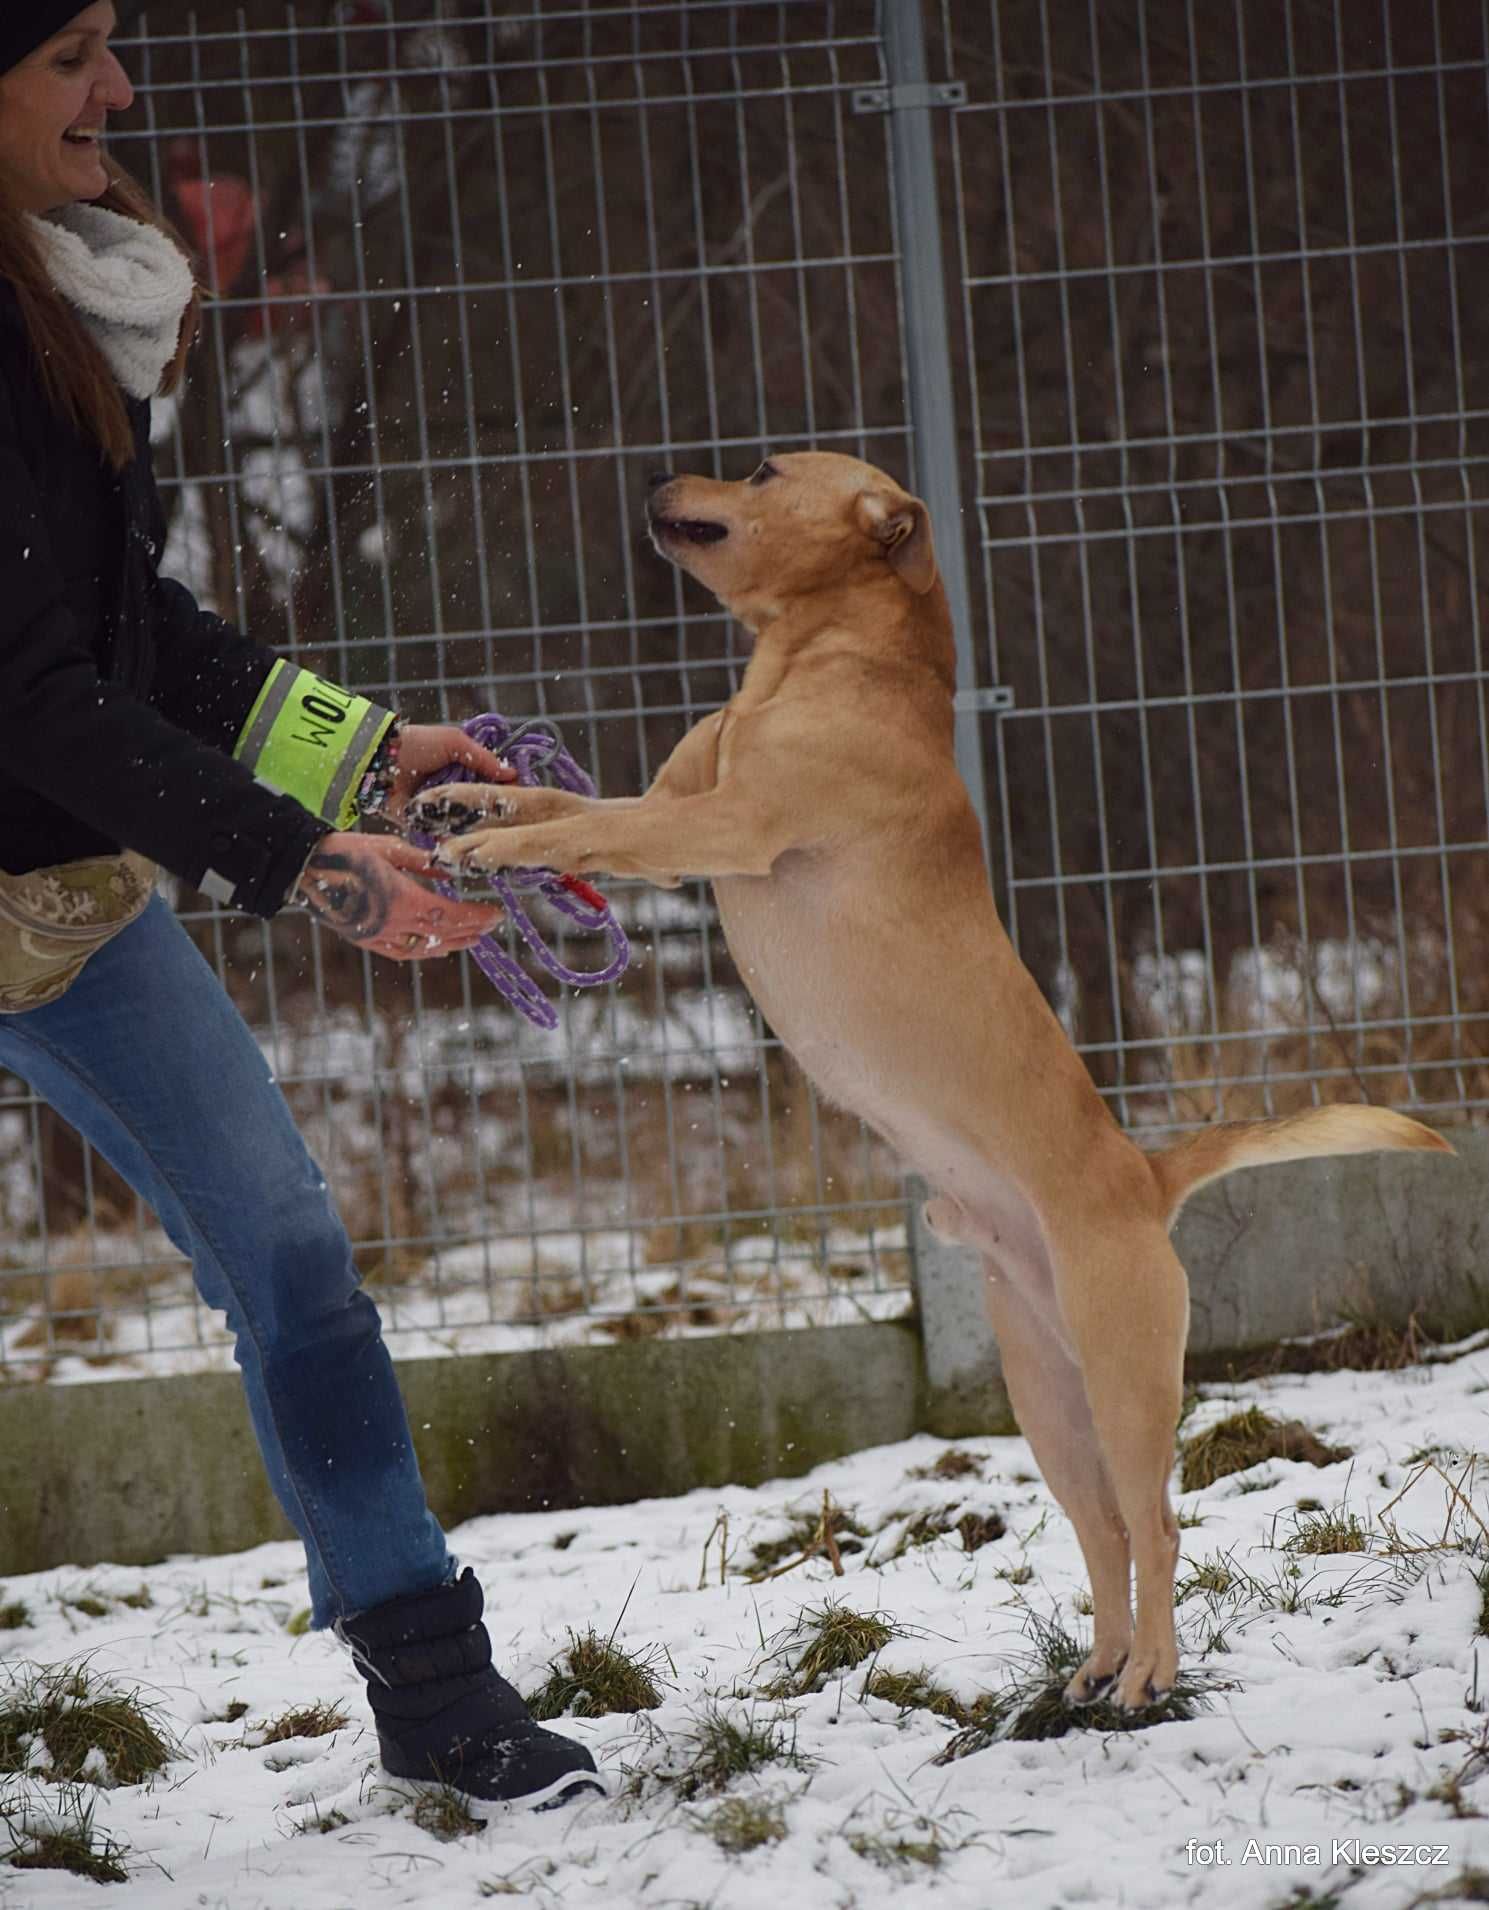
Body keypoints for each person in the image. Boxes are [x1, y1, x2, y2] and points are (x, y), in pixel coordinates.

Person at [0, 2, 602, 1812]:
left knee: (292, 1268)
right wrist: (297, 858)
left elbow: (133, 638)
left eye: (114, 43)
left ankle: (431, 1684)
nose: (120, 89)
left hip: (59, 900)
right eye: (70, 57)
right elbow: (27, 691)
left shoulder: (66, 314)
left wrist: (359, 754)